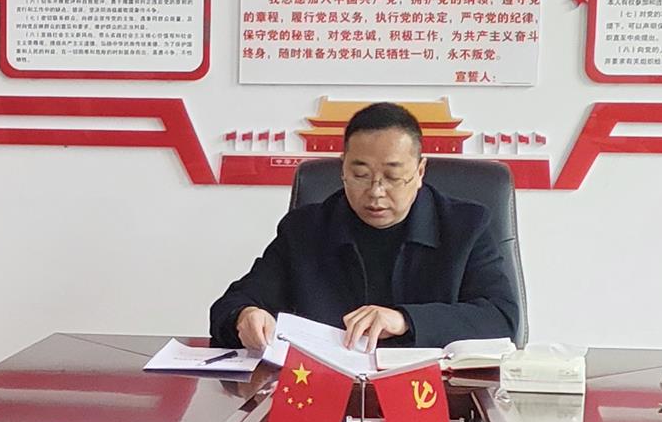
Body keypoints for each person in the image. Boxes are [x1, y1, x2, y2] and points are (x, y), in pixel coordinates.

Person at [210, 104, 522, 354]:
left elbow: (501, 318)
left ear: (420, 171)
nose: (375, 192)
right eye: (360, 175)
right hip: (326, 392)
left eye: (392, 176)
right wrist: (245, 316)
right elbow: (231, 305)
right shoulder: (305, 230)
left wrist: (405, 320)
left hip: (433, 396)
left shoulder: (465, 226)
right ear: (343, 168)